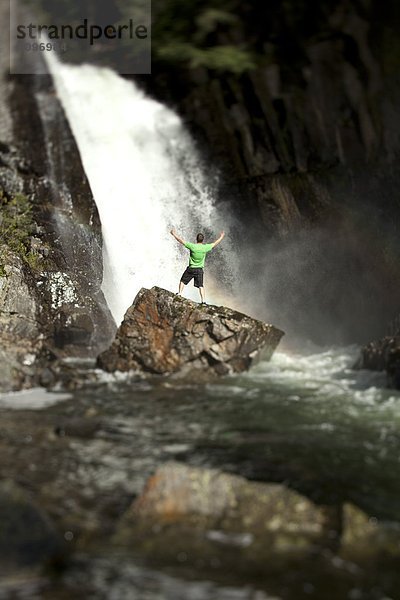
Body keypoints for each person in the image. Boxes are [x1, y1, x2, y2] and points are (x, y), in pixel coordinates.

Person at [170, 229, 225, 304]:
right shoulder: (205, 247)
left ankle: (179, 293)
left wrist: (174, 234)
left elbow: (181, 240)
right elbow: (215, 243)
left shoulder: (192, 246)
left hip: (191, 268)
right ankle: (203, 301)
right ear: (203, 240)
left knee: (182, 281)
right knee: (200, 286)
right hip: (199, 270)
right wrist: (221, 237)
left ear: (196, 239)